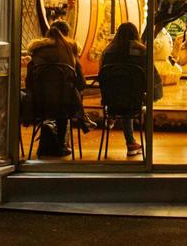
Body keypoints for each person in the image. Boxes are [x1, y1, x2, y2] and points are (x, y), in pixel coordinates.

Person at [25, 20, 87, 157]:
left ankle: (49, 136)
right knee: (68, 99)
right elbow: (81, 83)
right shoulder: (70, 50)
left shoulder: (37, 51)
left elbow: (28, 83)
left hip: (40, 103)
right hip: (65, 104)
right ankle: (62, 142)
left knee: (55, 102)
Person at [99, 22, 148, 157]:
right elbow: (149, 80)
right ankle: (131, 143)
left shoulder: (108, 52)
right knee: (130, 94)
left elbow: (102, 77)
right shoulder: (142, 52)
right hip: (134, 101)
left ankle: (113, 117)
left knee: (121, 93)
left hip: (112, 100)